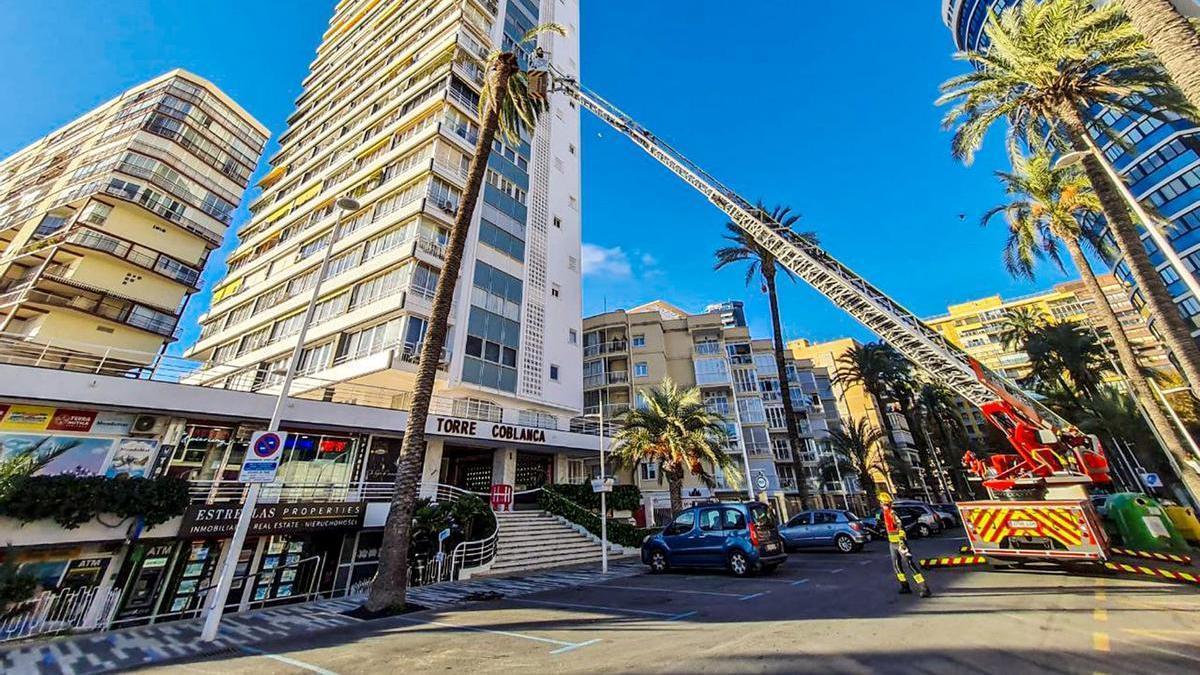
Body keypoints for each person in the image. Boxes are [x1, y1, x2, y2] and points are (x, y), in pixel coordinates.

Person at [880, 491, 931, 598]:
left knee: (909, 564)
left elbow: (900, 527)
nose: (883, 505)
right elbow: (888, 527)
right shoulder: (884, 514)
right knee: (897, 566)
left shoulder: (892, 513)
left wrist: (902, 540)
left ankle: (924, 588)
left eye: (884, 503)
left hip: (900, 543)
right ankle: (904, 586)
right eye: (882, 503)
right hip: (892, 544)